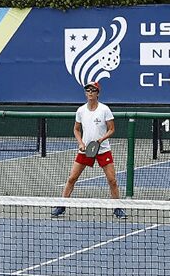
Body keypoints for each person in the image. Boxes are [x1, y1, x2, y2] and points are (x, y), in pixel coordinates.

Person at [51, 81, 126, 219]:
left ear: (98, 93)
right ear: (86, 93)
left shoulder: (104, 110)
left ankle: (118, 208)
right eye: (88, 90)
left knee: (112, 180)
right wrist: (80, 143)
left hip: (103, 150)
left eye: (93, 90)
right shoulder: (81, 110)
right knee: (72, 178)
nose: (90, 92)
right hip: (85, 150)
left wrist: (100, 140)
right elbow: (76, 129)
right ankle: (61, 205)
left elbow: (112, 129)